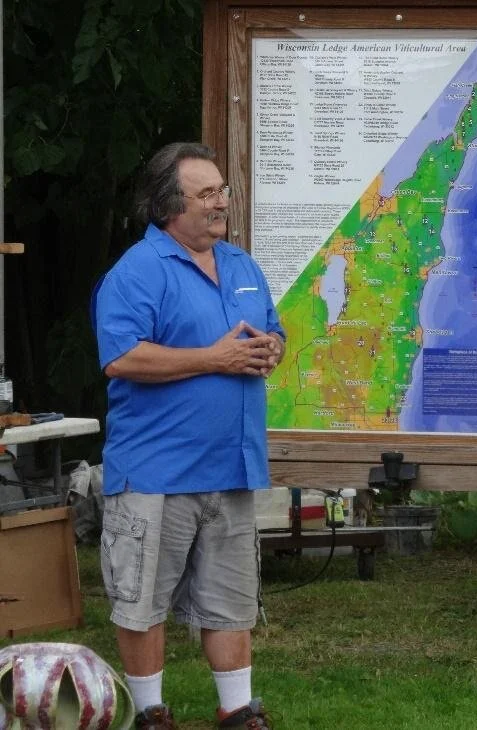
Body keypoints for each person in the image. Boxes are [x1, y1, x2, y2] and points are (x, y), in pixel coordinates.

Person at [92, 142, 285, 730]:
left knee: (231, 602)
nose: (221, 202)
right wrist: (214, 359)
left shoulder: (242, 265)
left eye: (222, 190)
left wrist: (271, 348)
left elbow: (270, 332)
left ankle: (237, 711)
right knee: (142, 600)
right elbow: (121, 359)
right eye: (207, 194)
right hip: (156, 472)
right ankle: (151, 713)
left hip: (232, 468)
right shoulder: (136, 271)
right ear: (168, 207)